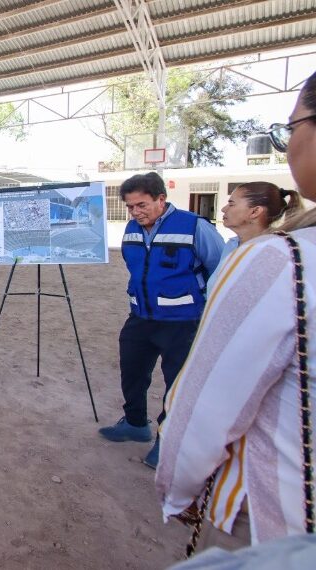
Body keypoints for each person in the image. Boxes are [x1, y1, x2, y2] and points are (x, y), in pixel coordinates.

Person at [156, 39, 316, 547]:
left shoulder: (288, 260)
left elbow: (204, 415)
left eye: (291, 129)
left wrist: (179, 493)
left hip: (288, 530)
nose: (289, 144)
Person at [97, 171, 224, 469]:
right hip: (140, 317)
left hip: (182, 321)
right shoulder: (131, 229)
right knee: (132, 370)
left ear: (161, 199)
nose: (135, 212)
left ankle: (167, 441)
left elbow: (220, 268)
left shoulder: (195, 227)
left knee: (176, 383)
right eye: (130, 207)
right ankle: (135, 423)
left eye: (141, 205)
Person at [207, 182, 303, 290]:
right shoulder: (232, 245)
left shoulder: (273, 251)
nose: (223, 209)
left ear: (255, 211)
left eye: (231, 204)